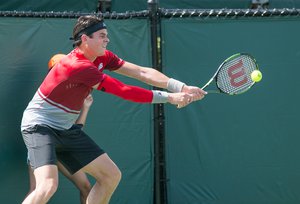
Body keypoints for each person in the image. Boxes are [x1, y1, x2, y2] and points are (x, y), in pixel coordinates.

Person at [21, 15, 207, 204]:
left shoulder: (103, 57)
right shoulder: (77, 66)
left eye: (107, 35)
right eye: (101, 35)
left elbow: (140, 72)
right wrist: (169, 98)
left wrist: (181, 87)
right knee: (47, 185)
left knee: (110, 176)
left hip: (65, 128)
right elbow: (124, 90)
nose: (107, 39)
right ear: (85, 39)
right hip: (39, 126)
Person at [25, 54, 92, 204]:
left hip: (62, 147)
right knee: (39, 190)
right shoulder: (45, 94)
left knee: (86, 187)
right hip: (41, 144)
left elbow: (73, 129)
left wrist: (85, 109)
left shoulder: (73, 94)